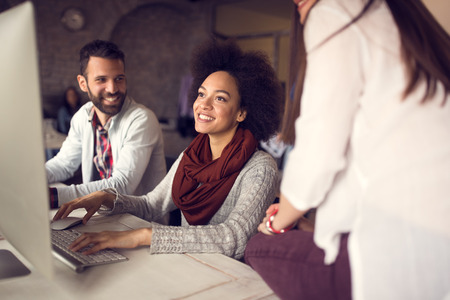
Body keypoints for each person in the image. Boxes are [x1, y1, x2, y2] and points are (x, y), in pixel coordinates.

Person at [244, 0, 450, 299]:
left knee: (257, 246)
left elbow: (318, 153)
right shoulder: (406, 24)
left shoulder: (333, 12)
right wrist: (301, 218)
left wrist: (277, 222)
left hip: (398, 258)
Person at [52, 39, 284, 260]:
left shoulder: (260, 168)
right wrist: (107, 198)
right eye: (202, 94)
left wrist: (144, 235)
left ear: (242, 112)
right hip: (187, 264)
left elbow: (235, 238)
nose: (203, 104)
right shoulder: (192, 157)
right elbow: (152, 205)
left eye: (220, 98)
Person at [46, 40, 167, 208]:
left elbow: (123, 185)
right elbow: (64, 164)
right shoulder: (82, 116)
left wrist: (52, 197)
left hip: (138, 224)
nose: (112, 88)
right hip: (101, 216)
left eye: (119, 79)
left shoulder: (142, 119)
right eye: (101, 79)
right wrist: (30, 179)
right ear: (83, 83)